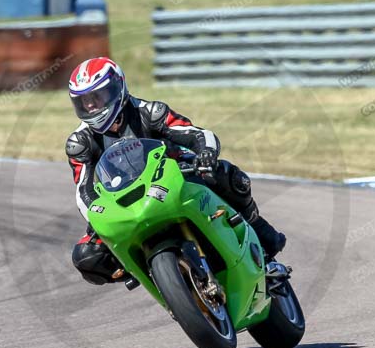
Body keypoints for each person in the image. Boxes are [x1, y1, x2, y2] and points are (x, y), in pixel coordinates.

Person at [65, 57, 286, 286]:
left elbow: (197, 134)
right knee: (86, 256)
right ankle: (147, 270)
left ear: (117, 88)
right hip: (123, 200)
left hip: (174, 178)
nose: (91, 106)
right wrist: (97, 214)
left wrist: (206, 154)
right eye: (84, 101)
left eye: (97, 97)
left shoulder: (150, 112)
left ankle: (262, 243)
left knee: (227, 176)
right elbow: (83, 190)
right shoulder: (79, 143)